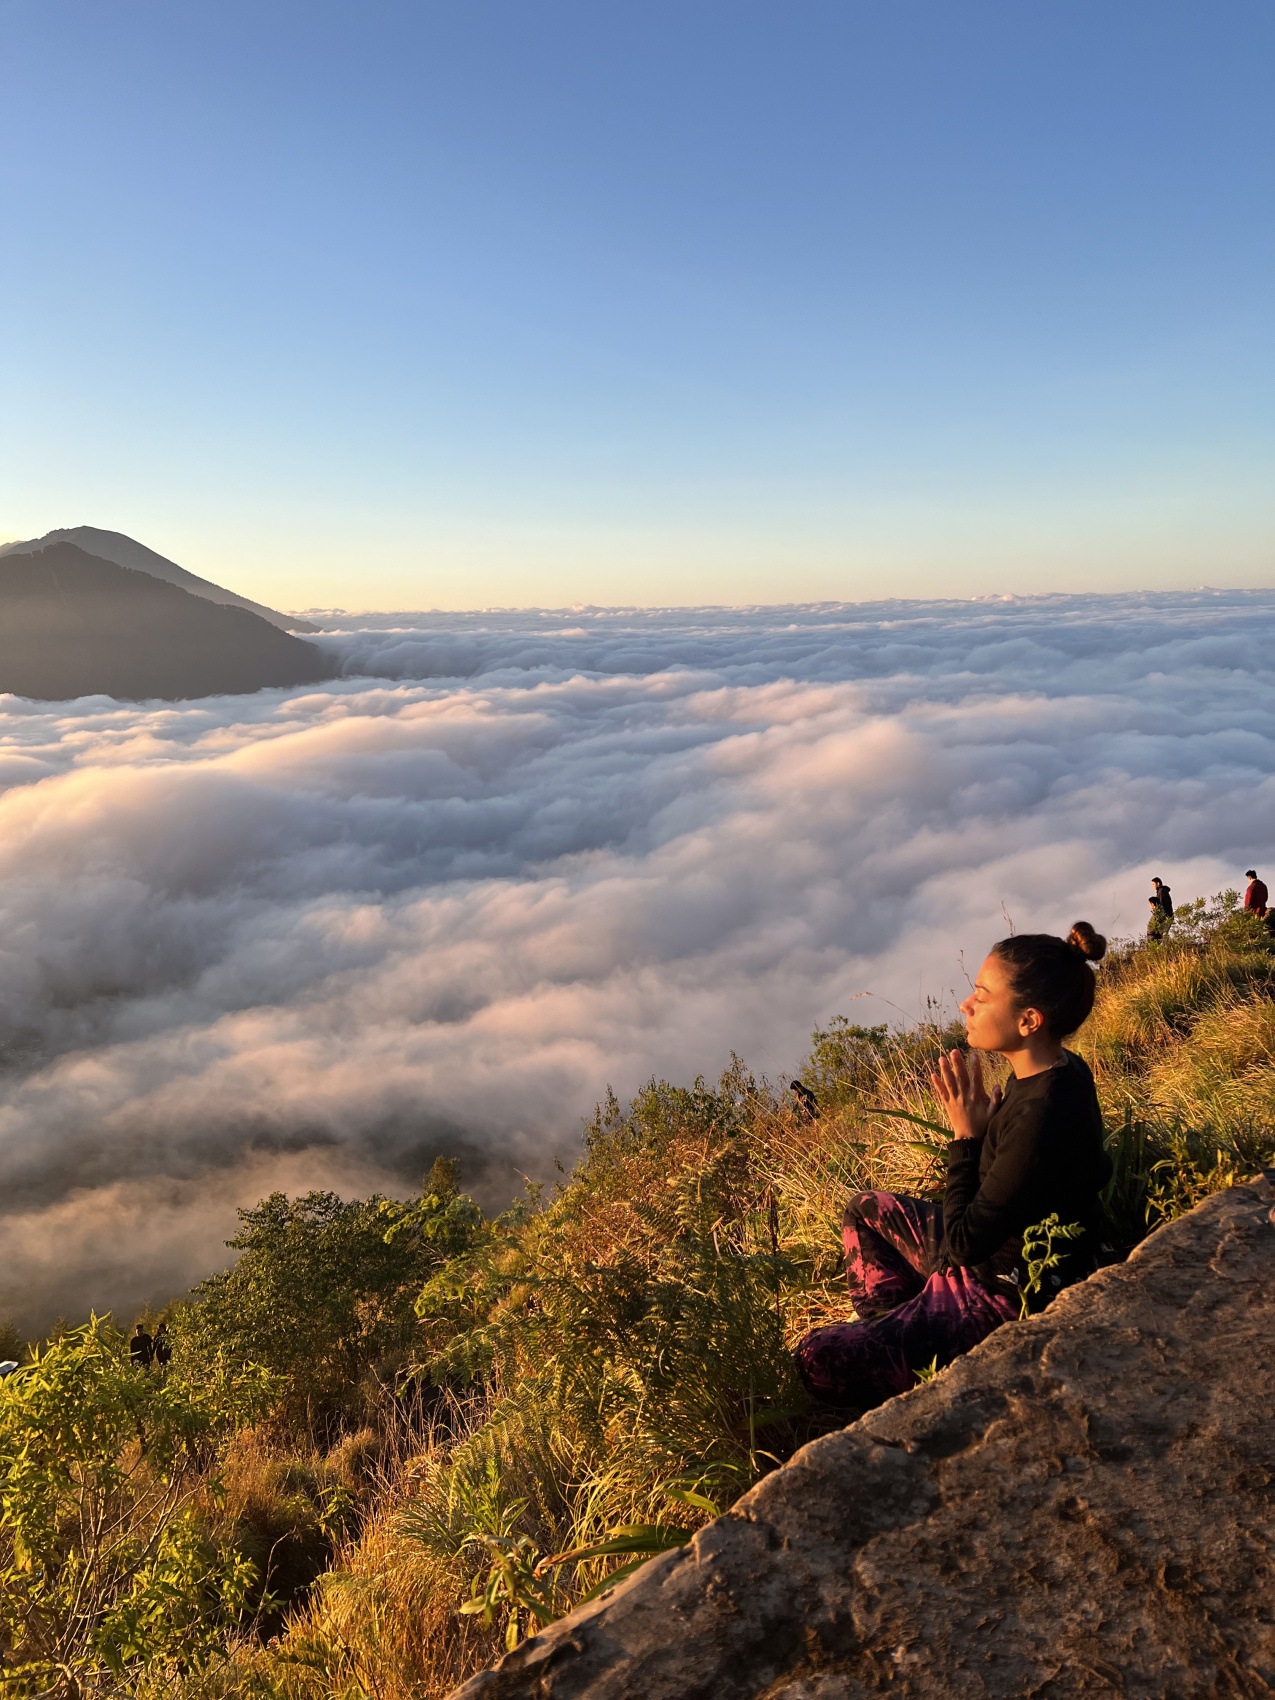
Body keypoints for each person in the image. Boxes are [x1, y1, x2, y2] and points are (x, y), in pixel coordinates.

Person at [795, 922, 1111, 1407]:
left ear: (1029, 1021)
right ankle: (901, 1331)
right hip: (991, 1247)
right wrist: (984, 1132)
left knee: (816, 1357)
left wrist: (965, 1136)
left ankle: (917, 1364)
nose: (966, 1004)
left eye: (982, 996)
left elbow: (963, 1245)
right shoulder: (1059, 1070)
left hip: (1006, 1293)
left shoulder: (1040, 1118)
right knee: (863, 1210)